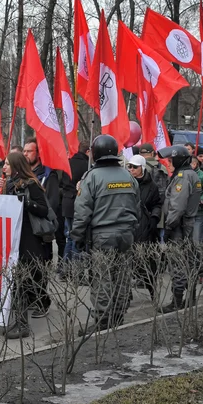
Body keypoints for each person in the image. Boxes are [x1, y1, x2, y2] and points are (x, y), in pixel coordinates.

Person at [72, 135, 140, 333]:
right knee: (122, 275)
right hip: (126, 233)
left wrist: (77, 236)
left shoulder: (91, 177)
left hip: (102, 235)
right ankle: (118, 314)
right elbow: (137, 206)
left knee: (103, 277)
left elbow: (82, 211)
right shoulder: (128, 176)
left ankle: (103, 319)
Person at [0, 151, 49, 339]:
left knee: (21, 283)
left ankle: (22, 325)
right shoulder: (10, 184)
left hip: (28, 240)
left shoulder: (31, 184)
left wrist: (26, 202)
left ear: (17, 167)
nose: (4, 168)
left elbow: (44, 210)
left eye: (7, 164)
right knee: (15, 283)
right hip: (13, 241)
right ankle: (17, 321)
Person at [158, 145, 201, 312]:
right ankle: (190, 298)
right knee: (188, 261)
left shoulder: (182, 177)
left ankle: (177, 301)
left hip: (179, 225)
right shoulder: (190, 174)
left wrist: (169, 226)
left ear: (178, 159)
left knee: (177, 263)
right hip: (186, 223)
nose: (168, 163)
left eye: (170, 160)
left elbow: (178, 205)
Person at [23, 137, 63, 266]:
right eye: (24, 151)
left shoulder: (48, 174)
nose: (25, 154)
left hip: (41, 227)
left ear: (38, 153)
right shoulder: (23, 174)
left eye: (29, 151)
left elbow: (52, 202)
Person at [127, 154, 161, 300]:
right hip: (129, 224)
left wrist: (154, 217)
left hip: (145, 226)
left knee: (147, 260)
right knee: (127, 260)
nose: (131, 169)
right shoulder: (125, 182)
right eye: (130, 166)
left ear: (142, 168)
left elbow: (157, 204)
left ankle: (152, 289)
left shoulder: (151, 185)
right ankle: (126, 293)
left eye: (135, 167)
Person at [60, 141, 90, 273]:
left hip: (66, 203)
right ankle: (76, 271)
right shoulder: (86, 165)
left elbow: (61, 183)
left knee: (69, 237)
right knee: (77, 238)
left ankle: (65, 269)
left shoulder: (68, 163)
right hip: (77, 204)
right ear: (88, 152)